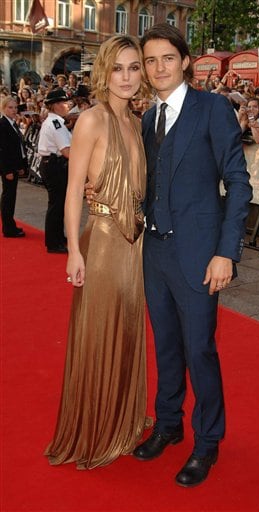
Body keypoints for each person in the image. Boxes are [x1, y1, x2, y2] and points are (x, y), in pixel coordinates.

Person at [86, 23, 252, 487]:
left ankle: (207, 442)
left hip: (200, 254)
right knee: (166, 345)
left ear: (185, 62)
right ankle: (168, 424)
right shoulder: (145, 117)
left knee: (199, 348)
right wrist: (104, 196)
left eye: (166, 59)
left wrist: (226, 253)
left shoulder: (213, 109)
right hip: (153, 252)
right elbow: (148, 187)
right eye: (149, 61)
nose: (157, 69)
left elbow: (238, 184)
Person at [44, 35, 150, 469]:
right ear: (104, 71)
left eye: (134, 68)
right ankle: (95, 426)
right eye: (118, 68)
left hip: (136, 244)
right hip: (103, 241)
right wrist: (73, 249)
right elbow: (72, 192)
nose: (126, 77)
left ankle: (123, 417)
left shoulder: (138, 123)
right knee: (99, 332)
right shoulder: (91, 119)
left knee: (127, 331)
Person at [38, 88, 72, 253]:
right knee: (56, 205)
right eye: (64, 102)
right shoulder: (56, 123)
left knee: (58, 204)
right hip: (55, 166)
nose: (67, 105)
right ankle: (53, 242)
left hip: (52, 165)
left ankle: (57, 236)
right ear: (56, 105)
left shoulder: (55, 121)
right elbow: (66, 151)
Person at [0, 96, 27, 237]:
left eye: (15, 107)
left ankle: (10, 225)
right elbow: (3, 151)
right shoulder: (3, 125)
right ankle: (8, 228)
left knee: (11, 197)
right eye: (10, 107)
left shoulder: (12, 123)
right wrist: (7, 170)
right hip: (8, 169)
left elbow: (17, 147)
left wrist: (20, 165)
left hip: (14, 166)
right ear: (4, 108)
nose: (14, 110)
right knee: (8, 198)